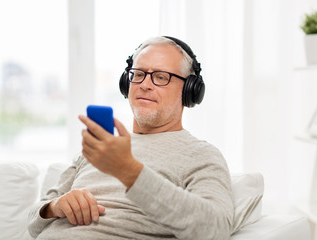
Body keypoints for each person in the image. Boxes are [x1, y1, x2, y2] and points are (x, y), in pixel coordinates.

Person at [28, 36, 234, 240]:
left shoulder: (201, 155)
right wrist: (54, 207)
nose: (145, 84)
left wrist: (129, 171)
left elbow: (216, 230)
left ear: (189, 90)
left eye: (161, 77)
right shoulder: (104, 148)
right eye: (139, 74)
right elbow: (33, 223)